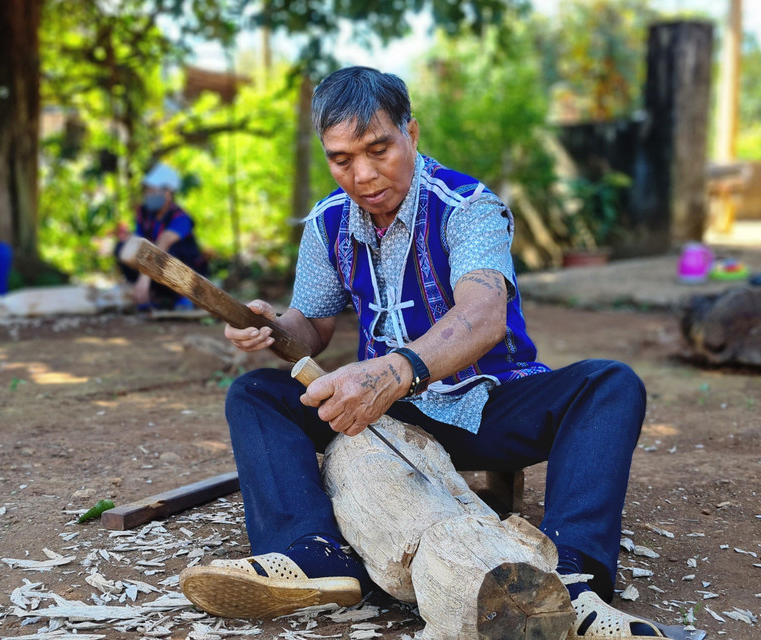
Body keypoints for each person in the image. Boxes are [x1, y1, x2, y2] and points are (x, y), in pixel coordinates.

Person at [179, 67, 662, 637]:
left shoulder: (468, 206)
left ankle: (569, 580)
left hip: (489, 404)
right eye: (340, 159)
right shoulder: (328, 221)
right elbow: (310, 325)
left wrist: (395, 370)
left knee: (609, 384)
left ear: (411, 131)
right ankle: (312, 556)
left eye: (378, 148)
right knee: (256, 394)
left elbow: (482, 316)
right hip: (384, 415)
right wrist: (270, 326)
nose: (361, 174)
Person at [115, 164, 207, 310]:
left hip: (184, 275)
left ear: (168, 192)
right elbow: (137, 239)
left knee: (172, 250)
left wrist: (144, 278)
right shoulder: (144, 213)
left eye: (152, 190)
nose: (148, 195)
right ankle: (147, 294)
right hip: (155, 275)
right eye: (147, 190)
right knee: (123, 247)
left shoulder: (181, 217)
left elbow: (163, 243)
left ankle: (181, 297)